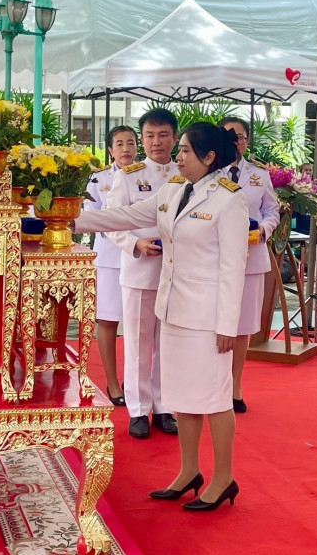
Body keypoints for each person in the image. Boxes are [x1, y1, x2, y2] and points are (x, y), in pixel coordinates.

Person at [74, 122, 249, 511]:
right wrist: (67, 218)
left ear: (209, 157)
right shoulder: (173, 189)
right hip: (173, 309)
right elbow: (123, 216)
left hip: (208, 318)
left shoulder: (229, 200)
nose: (178, 156)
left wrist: (228, 326)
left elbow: (232, 269)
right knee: (183, 395)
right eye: (180, 149)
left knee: (215, 397)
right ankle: (189, 471)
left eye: (185, 150)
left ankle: (224, 477)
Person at [105, 108, 179, 439]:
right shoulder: (128, 176)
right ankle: (137, 410)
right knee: (137, 343)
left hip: (177, 274)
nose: (156, 142)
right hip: (139, 271)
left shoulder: (186, 175)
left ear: (174, 138)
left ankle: (164, 407)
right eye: (149, 136)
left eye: (163, 135)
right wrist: (135, 243)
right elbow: (111, 223)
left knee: (169, 343)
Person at [217, 117, 279, 414]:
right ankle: (213, 385)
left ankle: (234, 386)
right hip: (214, 259)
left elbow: (272, 209)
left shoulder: (258, 174)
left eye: (239, 137)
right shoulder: (207, 171)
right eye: (227, 136)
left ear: (246, 141)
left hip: (251, 258)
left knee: (242, 327)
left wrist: (264, 230)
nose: (234, 142)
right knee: (213, 322)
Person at [84, 125, 138, 407]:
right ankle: (113, 382)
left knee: (138, 323)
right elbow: (89, 214)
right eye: (119, 143)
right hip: (108, 258)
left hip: (140, 256)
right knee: (107, 320)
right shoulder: (99, 178)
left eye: (130, 142)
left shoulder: (145, 175)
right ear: (110, 149)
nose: (126, 148)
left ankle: (134, 380)